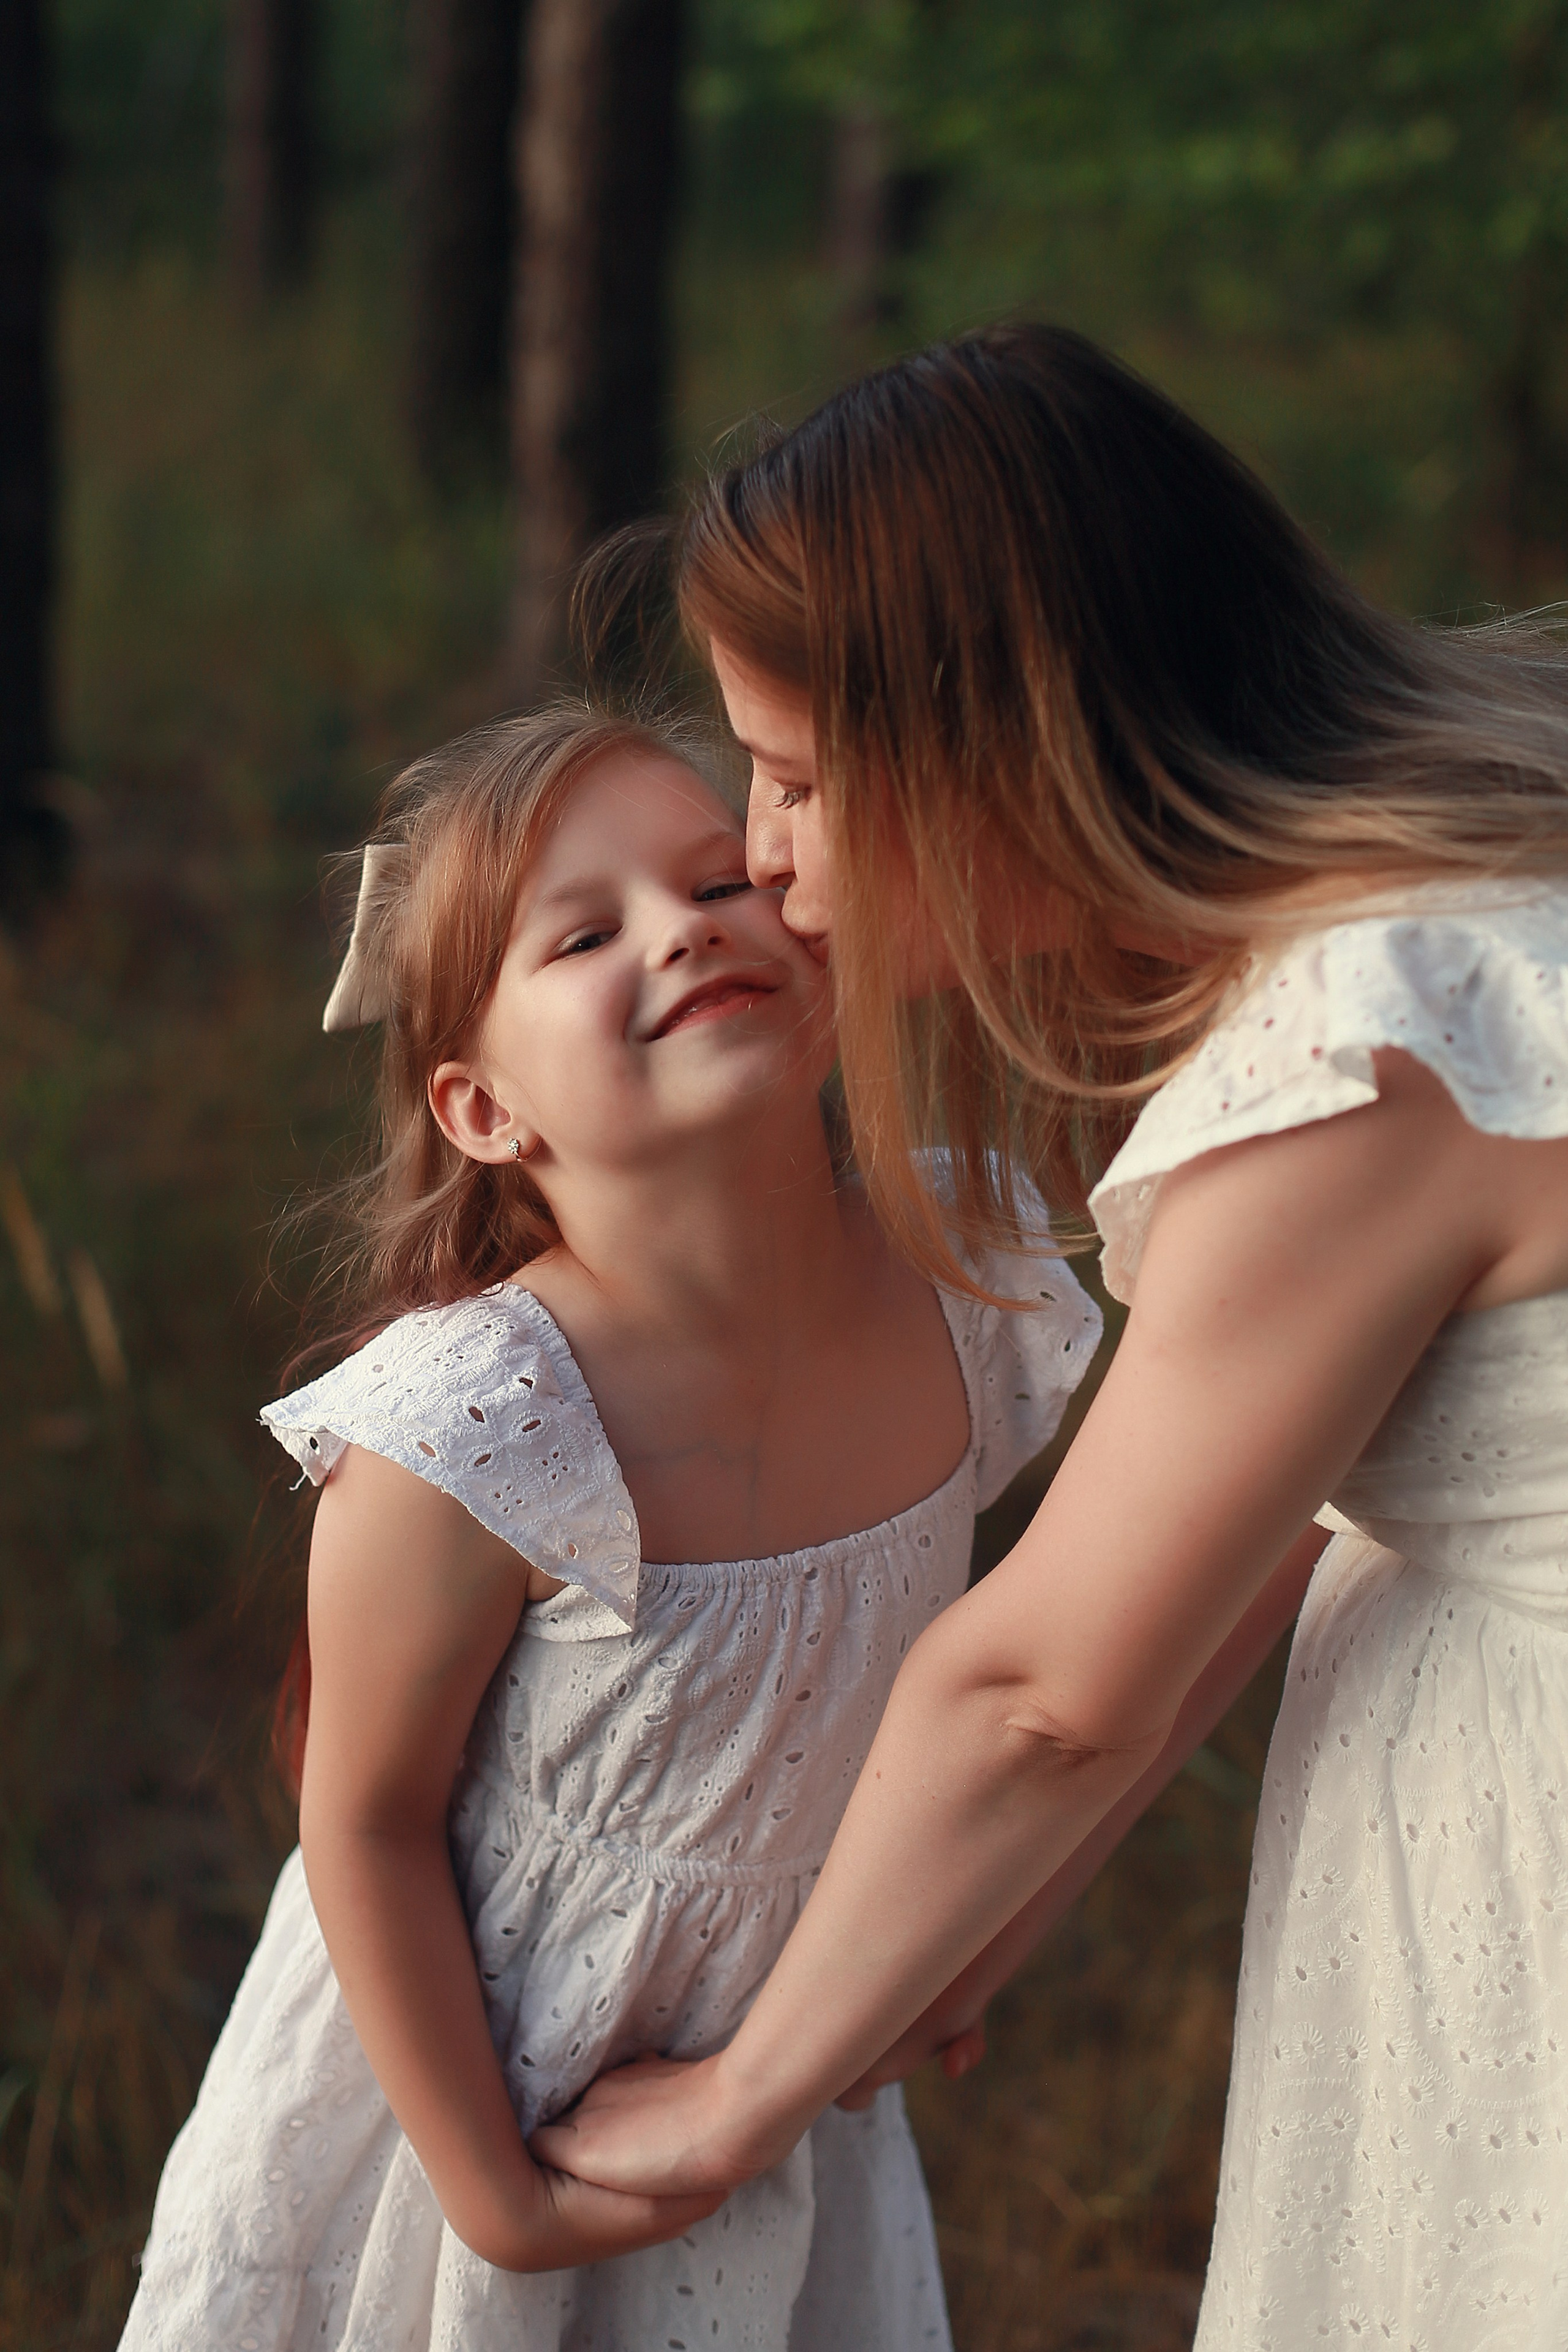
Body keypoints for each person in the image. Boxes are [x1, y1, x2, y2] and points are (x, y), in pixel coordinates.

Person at [533, 327, 1568, 2350]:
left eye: (809, 777)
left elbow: (1039, 1687)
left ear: (1018, 740)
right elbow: (1263, 1529)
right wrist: (974, 1919)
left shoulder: (1359, 1049)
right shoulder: (1479, 867)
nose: (763, 850)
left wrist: (746, 2090)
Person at [117, 703, 1120, 2352]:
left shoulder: (966, 1276)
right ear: (482, 1111)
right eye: (586, 933)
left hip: (775, 2074)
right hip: (476, 2108)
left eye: (725, 879)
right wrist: (496, 2198)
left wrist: (947, 1933)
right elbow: (363, 1821)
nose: (689, 928)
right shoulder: (478, 1429)